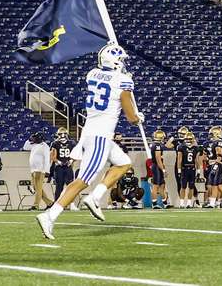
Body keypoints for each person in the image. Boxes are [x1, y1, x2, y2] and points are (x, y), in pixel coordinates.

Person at [36, 43, 142, 240]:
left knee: (124, 163)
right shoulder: (123, 81)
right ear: (115, 61)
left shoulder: (93, 73)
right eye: (122, 60)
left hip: (93, 133)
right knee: (82, 180)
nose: (124, 63)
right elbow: (130, 117)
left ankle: (95, 197)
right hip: (99, 137)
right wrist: (138, 117)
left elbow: (108, 81)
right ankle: (49, 215)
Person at [24, 132, 54, 210]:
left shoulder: (45, 146)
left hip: (40, 170)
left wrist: (47, 170)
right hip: (33, 170)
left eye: (36, 137)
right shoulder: (33, 144)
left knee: (38, 188)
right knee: (36, 188)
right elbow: (25, 147)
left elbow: (47, 159)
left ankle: (36, 205)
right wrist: (29, 139)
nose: (34, 139)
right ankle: (49, 203)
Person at [50, 128, 76, 209]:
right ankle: (57, 204)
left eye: (64, 134)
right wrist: (58, 162)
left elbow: (76, 154)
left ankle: (72, 204)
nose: (62, 136)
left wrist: (71, 160)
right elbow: (52, 156)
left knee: (71, 186)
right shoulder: (55, 143)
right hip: (59, 168)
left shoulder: (72, 143)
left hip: (68, 167)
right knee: (59, 187)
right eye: (60, 134)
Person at [203, 127, 222, 208]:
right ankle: (215, 202)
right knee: (216, 185)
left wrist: (215, 167)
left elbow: (219, 155)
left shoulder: (218, 143)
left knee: (215, 184)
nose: (210, 136)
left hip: (217, 164)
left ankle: (214, 203)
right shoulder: (218, 142)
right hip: (217, 164)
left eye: (211, 134)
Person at [148, 129, 169, 209]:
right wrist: (163, 169)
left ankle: (165, 203)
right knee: (156, 186)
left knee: (162, 185)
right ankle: (154, 204)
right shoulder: (157, 145)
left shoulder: (157, 144)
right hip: (156, 166)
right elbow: (158, 158)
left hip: (157, 166)